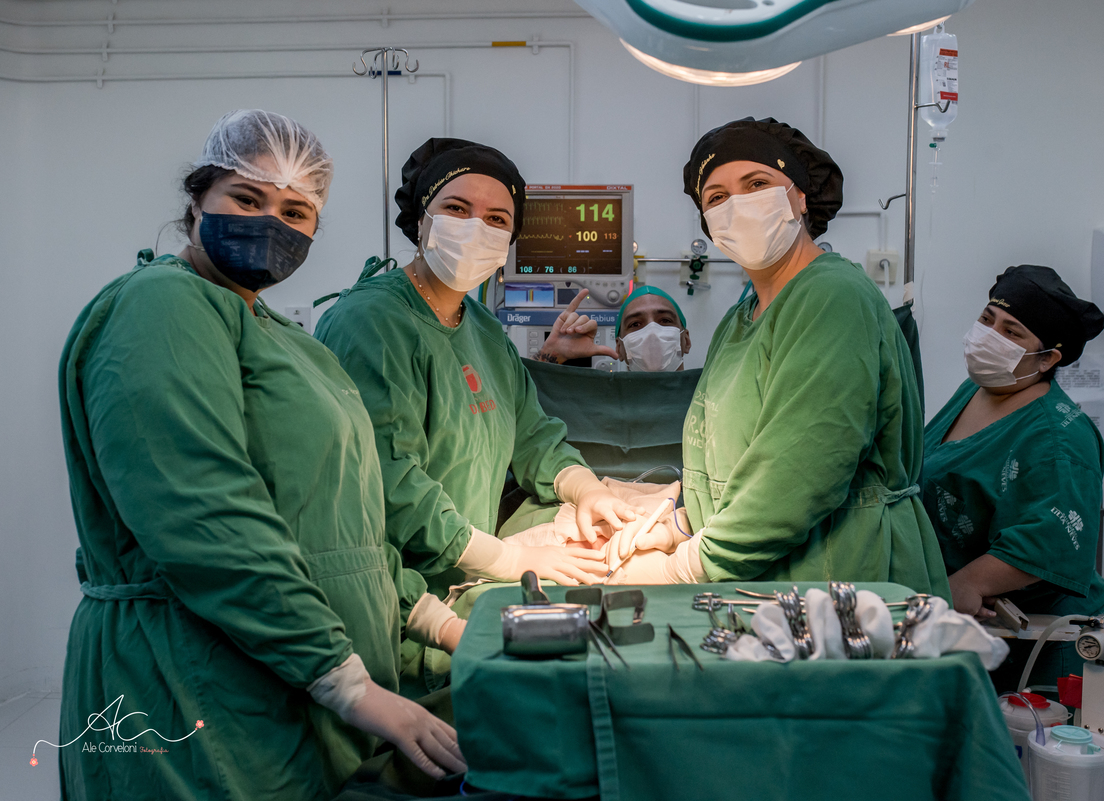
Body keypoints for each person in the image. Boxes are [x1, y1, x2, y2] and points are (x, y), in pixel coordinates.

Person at [57, 111, 464, 801]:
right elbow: (204, 515)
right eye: (247, 199)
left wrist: (433, 619)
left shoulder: (286, 338)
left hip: (290, 684)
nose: (271, 222)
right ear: (197, 200)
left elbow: (343, 525)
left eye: (295, 211)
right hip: (190, 685)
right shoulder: (161, 305)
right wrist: (344, 680)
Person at [314, 138, 639, 643]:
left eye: (496, 219)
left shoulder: (484, 330)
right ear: (421, 220)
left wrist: (587, 489)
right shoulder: (370, 322)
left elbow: (534, 437)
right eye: (457, 209)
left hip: (465, 579)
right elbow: (390, 484)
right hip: (397, 605)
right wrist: (509, 558)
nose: (475, 227)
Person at [610, 117, 949, 598]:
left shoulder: (832, 297)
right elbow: (734, 465)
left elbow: (799, 475)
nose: (737, 204)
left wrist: (682, 567)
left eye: (757, 184)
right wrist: (681, 525)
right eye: (716, 197)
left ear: (801, 197)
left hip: (843, 577)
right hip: (760, 573)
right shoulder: (739, 320)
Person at [921, 264, 1104, 690]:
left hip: (1040, 645)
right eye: (987, 320)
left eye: (1012, 332)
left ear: (1048, 358)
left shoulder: (1060, 438)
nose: (990, 336)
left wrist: (967, 584)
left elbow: (1051, 539)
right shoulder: (978, 390)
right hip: (976, 632)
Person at [537, 285, 692, 372]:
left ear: (686, 340)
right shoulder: (598, 405)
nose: (652, 332)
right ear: (619, 347)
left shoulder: (705, 402)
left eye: (665, 320)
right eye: (635, 324)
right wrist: (549, 355)